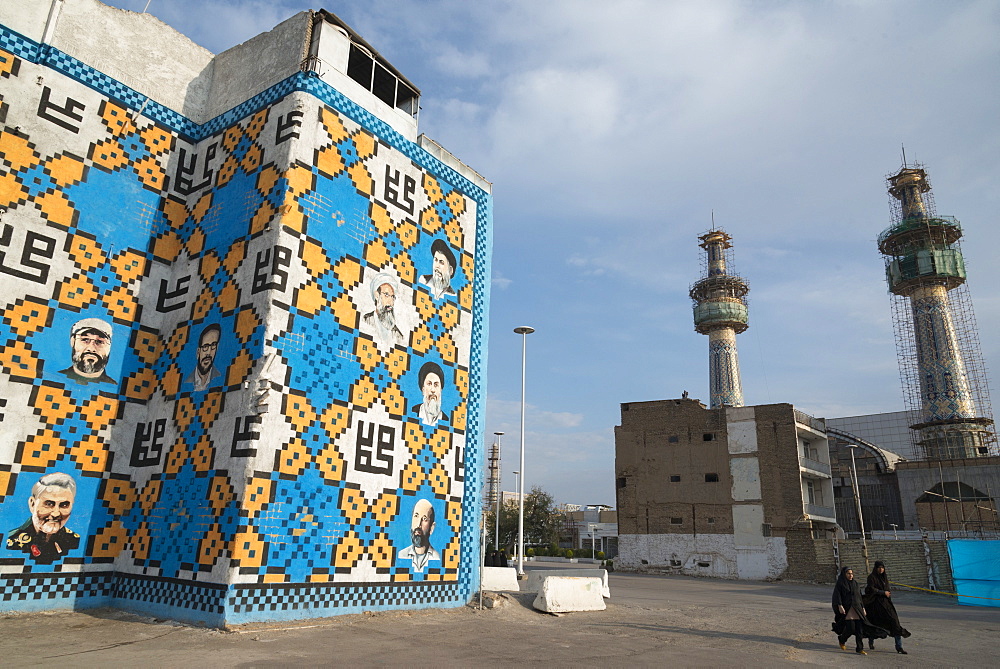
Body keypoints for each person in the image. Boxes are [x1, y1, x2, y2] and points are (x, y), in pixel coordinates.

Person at [6, 472, 80, 564]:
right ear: (32, 504)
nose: (56, 513)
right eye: (49, 504)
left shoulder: (75, 541)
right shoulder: (11, 541)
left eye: (64, 505)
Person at [831, 566, 885, 654]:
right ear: (844, 574)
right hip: (848, 609)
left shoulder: (855, 583)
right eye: (848, 573)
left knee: (860, 630)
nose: (850, 575)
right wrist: (840, 606)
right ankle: (842, 639)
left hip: (857, 609)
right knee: (851, 629)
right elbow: (837, 596)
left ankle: (859, 648)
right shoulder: (840, 584)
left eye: (851, 573)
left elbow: (859, 597)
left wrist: (863, 608)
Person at [864, 561, 911, 654]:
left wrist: (888, 595)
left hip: (886, 604)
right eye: (879, 567)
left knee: (895, 623)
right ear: (875, 568)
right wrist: (882, 592)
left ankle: (899, 647)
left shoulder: (884, 578)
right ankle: (871, 641)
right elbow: (871, 589)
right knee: (875, 623)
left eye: (882, 567)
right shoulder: (871, 577)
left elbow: (887, 589)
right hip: (876, 604)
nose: (881, 569)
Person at [60, 318, 115, 385]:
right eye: (85, 339)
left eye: (100, 341)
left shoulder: (112, 386)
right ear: (73, 341)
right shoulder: (56, 379)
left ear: (109, 347)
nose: (91, 349)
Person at [361, 273, 404, 348]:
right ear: (377, 296)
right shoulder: (364, 320)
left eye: (393, 297)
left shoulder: (397, 335)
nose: (391, 302)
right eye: (386, 295)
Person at [398, 499, 440, 573]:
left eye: (424, 519)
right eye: (416, 516)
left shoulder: (436, 557)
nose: (418, 524)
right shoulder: (402, 555)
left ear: (432, 527)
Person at [184, 324, 222, 391]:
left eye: (213, 345)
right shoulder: (187, 382)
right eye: (205, 347)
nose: (208, 353)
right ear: (198, 352)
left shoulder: (219, 378)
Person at [413, 361, 447, 427]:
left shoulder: (445, 420)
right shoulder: (413, 412)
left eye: (436, 385)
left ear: (440, 390)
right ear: (423, 389)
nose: (433, 390)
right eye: (429, 384)